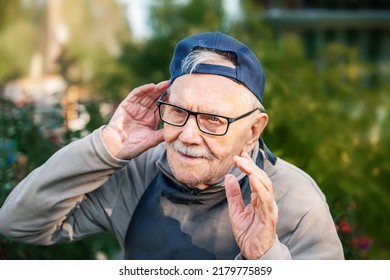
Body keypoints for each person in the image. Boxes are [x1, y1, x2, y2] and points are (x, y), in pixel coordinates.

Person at [0, 32, 344, 260]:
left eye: (213, 119)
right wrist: (105, 148)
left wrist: (266, 260)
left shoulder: (294, 201)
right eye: (178, 111)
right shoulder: (137, 172)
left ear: (253, 128)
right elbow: (18, 223)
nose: (188, 136)